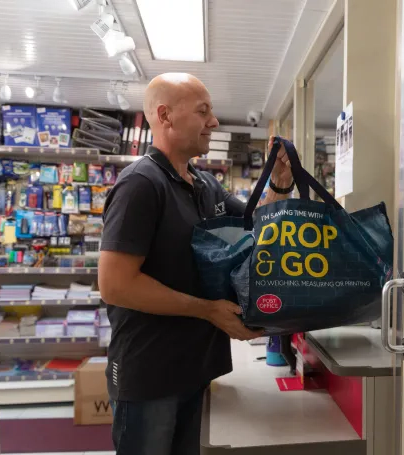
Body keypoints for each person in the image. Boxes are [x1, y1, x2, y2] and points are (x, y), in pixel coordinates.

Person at [98, 72, 294, 455]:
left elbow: (258, 226)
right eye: (203, 111)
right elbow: (115, 285)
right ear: (165, 116)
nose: (214, 122)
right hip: (149, 376)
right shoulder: (141, 184)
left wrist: (280, 184)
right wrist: (207, 311)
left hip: (194, 369)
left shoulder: (205, 185)